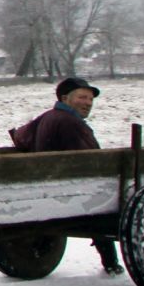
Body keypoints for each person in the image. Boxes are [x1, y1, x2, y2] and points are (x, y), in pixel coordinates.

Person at [9, 77, 123, 275]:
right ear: (64, 98)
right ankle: (111, 263)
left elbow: (23, 139)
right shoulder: (70, 123)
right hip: (68, 191)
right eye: (82, 97)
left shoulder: (48, 117)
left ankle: (42, 247)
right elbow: (94, 162)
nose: (88, 103)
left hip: (47, 186)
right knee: (101, 198)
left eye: (90, 99)